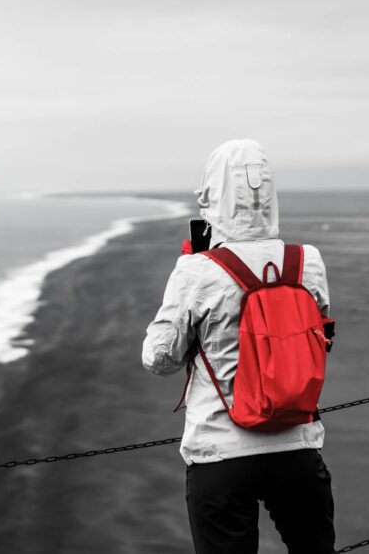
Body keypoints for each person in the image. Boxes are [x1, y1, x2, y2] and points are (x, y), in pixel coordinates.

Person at [141, 138, 335, 554]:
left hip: (219, 452)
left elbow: (158, 358)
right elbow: (320, 339)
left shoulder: (198, 271)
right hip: (298, 447)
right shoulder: (308, 262)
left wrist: (189, 274)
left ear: (211, 197)